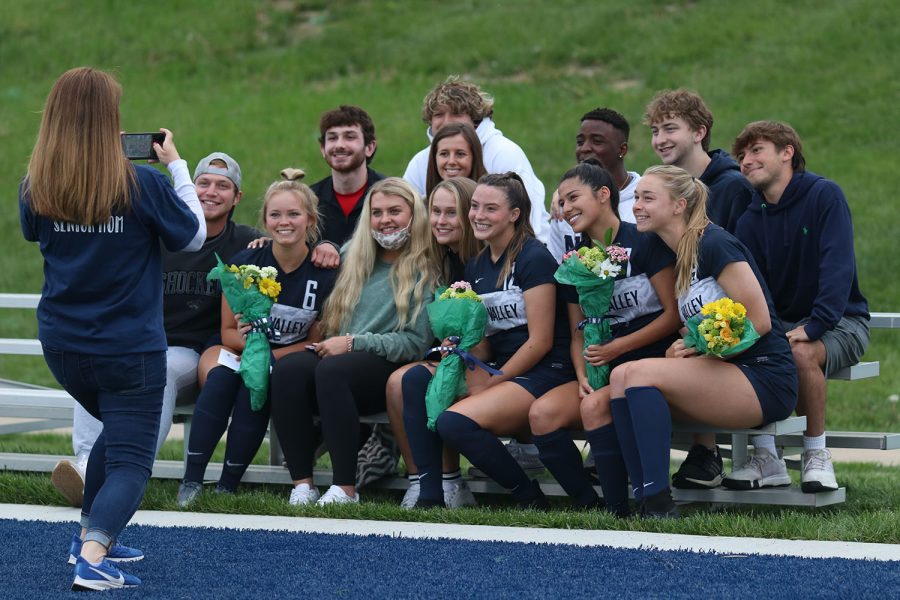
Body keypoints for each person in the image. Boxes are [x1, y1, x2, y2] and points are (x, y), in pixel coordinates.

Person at [19, 67, 206, 591]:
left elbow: (39, 232)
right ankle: (94, 556)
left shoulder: (37, 185)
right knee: (131, 456)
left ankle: (89, 535)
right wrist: (178, 167)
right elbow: (192, 237)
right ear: (110, 122)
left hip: (63, 344)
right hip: (128, 348)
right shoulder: (142, 182)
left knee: (113, 434)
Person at [51, 151, 260, 508]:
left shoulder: (248, 242)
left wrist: (324, 248)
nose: (211, 191)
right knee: (99, 356)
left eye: (223, 186)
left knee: (158, 371)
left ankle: (129, 470)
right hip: (141, 342)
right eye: (204, 183)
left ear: (237, 197)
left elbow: (294, 250)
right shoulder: (164, 234)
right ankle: (87, 467)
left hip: (192, 355)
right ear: (191, 189)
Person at [601, 164, 797, 517]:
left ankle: (658, 501)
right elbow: (697, 327)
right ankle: (640, 498)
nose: (637, 205)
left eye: (648, 198)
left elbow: (760, 320)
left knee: (637, 373)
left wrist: (703, 349)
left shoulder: (715, 242)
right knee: (620, 377)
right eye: (638, 197)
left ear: (679, 205)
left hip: (763, 376)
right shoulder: (679, 255)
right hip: (725, 374)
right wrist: (684, 346)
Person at [403, 173, 574, 509]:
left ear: (514, 214)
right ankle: (431, 494)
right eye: (476, 206)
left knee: (455, 422)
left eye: (490, 208)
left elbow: (540, 341)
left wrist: (495, 380)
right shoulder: (477, 264)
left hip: (544, 370)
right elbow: (485, 343)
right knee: (414, 379)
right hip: (502, 365)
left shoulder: (533, 258)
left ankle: (528, 497)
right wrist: (462, 348)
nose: (478, 215)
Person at [270, 177, 436, 505]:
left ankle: (345, 487)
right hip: (340, 355)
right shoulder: (352, 255)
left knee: (333, 370)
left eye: (394, 211)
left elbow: (416, 342)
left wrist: (353, 342)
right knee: (288, 369)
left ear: (414, 215)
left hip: (386, 364)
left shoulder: (427, 268)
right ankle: (302, 484)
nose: (385, 219)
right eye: (376, 212)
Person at [176, 173, 337, 506]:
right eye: (275, 215)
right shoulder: (246, 264)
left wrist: (265, 358)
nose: (284, 222)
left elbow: (316, 339)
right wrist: (252, 349)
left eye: (293, 214)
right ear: (264, 220)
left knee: (257, 381)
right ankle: (190, 481)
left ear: (309, 219)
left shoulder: (326, 272)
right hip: (236, 347)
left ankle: (228, 485)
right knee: (222, 378)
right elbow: (227, 331)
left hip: (286, 358)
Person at [529, 161, 679, 516]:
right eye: (562, 202)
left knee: (595, 406)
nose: (566, 209)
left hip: (652, 359)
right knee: (542, 413)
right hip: (603, 364)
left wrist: (619, 347)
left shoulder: (644, 241)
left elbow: (673, 315)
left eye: (573, 197)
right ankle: (590, 504)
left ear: (603, 194)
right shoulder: (573, 262)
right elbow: (579, 332)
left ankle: (623, 507)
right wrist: (583, 375)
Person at [727, 121, 869, 492]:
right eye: (742, 156)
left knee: (802, 351)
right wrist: (764, 331)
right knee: (748, 349)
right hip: (782, 324)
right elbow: (752, 289)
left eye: (757, 150)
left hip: (841, 321)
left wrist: (817, 324)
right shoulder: (748, 220)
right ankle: (766, 458)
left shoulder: (825, 195)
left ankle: (816, 455)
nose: (746, 161)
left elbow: (838, 268)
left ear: (787, 151)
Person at [644, 89, 755, 488]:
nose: (660, 139)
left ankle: (716, 452)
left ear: (699, 132)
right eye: (655, 131)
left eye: (670, 128)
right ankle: (652, 460)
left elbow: (744, 261)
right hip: (692, 302)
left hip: (739, 305)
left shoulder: (731, 187)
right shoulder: (663, 187)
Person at [384, 177, 482, 508]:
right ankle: (424, 479)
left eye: (451, 213)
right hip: (456, 354)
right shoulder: (440, 256)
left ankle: (449, 480)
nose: (440, 220)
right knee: (398, 382)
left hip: (487, 359)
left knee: (428, 380)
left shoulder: (482, 257)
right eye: (435, 211)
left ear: (470, 214)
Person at [403, 76, 551, 243]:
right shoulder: (420, 161)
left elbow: (531, 220)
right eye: (439, 114)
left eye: (456, 113)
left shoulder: (503, 152)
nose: (447, 121)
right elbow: (405, 216)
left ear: (475, 119)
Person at [547, 108, 642, 260]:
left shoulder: (644, 197)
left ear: (622, 149)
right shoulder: (564, 207)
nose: (584, 148)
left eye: (597, 141)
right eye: (580, 142)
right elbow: (556, 266)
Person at [311, 105, 386, 262]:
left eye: (349, 137)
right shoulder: (309, 201)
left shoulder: (391, 196)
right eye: (332, 138)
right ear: (322, 149)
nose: (339, 145)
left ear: (369, 147)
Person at [424, 122, 487, 198]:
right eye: (444, 154)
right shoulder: (422, 207)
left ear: (474, 157)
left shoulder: (489, 203)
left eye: (460, 154)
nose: (451, 161)